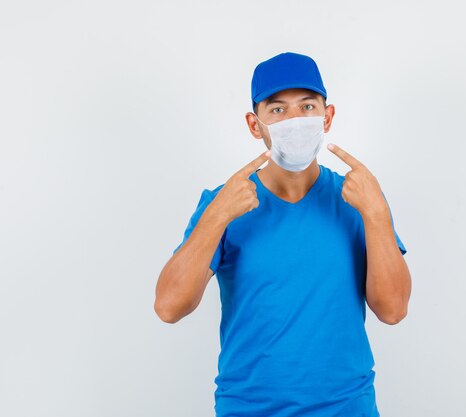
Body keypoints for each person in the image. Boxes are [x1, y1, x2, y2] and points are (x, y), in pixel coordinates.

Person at [154, 52, 412, 417]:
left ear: (328, 116)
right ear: (254, 124)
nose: (294, 120)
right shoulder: (222, 203)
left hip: (347, 408)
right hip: (248, 409)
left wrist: (375, 213)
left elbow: (393, 309)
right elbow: (168, 307)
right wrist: (216, 217)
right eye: (277, 110)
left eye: (307, 106)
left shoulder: (359, 199)